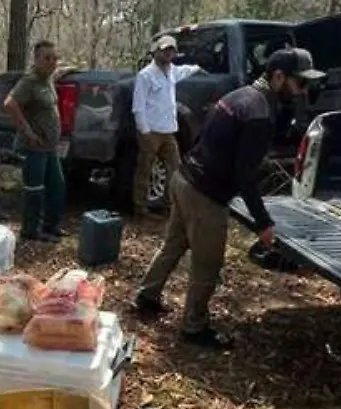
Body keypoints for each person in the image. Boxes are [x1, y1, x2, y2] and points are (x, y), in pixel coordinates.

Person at [134, 48, 325, 350]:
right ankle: (194, 327)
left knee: (174, 244)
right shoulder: (259, 113)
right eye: (300, 83)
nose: (303, 91)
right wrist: (263, 223)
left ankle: (146, 296)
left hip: (183, 178)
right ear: (278, 77)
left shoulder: (239, 95)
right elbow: (244, 175)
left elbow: (205, 138)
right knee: (207, 263)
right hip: (204, 192)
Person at [131, 35, 202, 217]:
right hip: (151, 131)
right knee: (145, 169)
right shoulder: (145, 75)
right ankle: (139, 207)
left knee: (175, 168)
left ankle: (167, 203)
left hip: (168, 131)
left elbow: (185, 70)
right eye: (165, 50)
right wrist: (145, 131)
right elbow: (138, 107)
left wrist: (199, 67)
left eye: (171, 50)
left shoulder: (172, 72)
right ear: (156, 51)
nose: (168, 53)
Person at [3, 40, 65, 243]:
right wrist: (28, 132)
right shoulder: (29, 81)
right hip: (35, 147)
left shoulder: (48, 79)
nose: (51, 62)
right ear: (36, 60)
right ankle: (30, 230)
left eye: (54, 58)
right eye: (47, 58)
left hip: (50, 147)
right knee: (35, 190)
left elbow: (60, 70)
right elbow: (10, 104)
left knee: (57, 186)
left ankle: (50, 226)